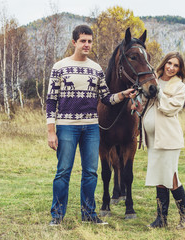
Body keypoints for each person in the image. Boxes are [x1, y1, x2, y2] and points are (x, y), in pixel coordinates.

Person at [46, 25, 134, 226]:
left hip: (91, 128)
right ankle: (57, 216)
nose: (87, 45)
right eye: (83, 41)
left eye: (90, 41)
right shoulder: (59, 67)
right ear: (74, 42)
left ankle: (88, 214)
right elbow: (51, 100)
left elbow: (105, 97)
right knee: (63, 171)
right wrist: (51, 131)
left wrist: (123, 94)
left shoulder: (95, 68)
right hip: (67, 127)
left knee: (91, 172)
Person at [131, 52, 185, 229]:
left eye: (176, 66)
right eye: (169, 63)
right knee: (159, 177)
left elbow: (170, 108)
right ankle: (161, 219)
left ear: (180, 69)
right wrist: (137, 101)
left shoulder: (179, 87)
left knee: (171, 177)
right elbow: (144, 103)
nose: (171, 68)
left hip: (169, 138)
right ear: (164, 63)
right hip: (153, 138)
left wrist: (159, 93)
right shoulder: (152, 79)